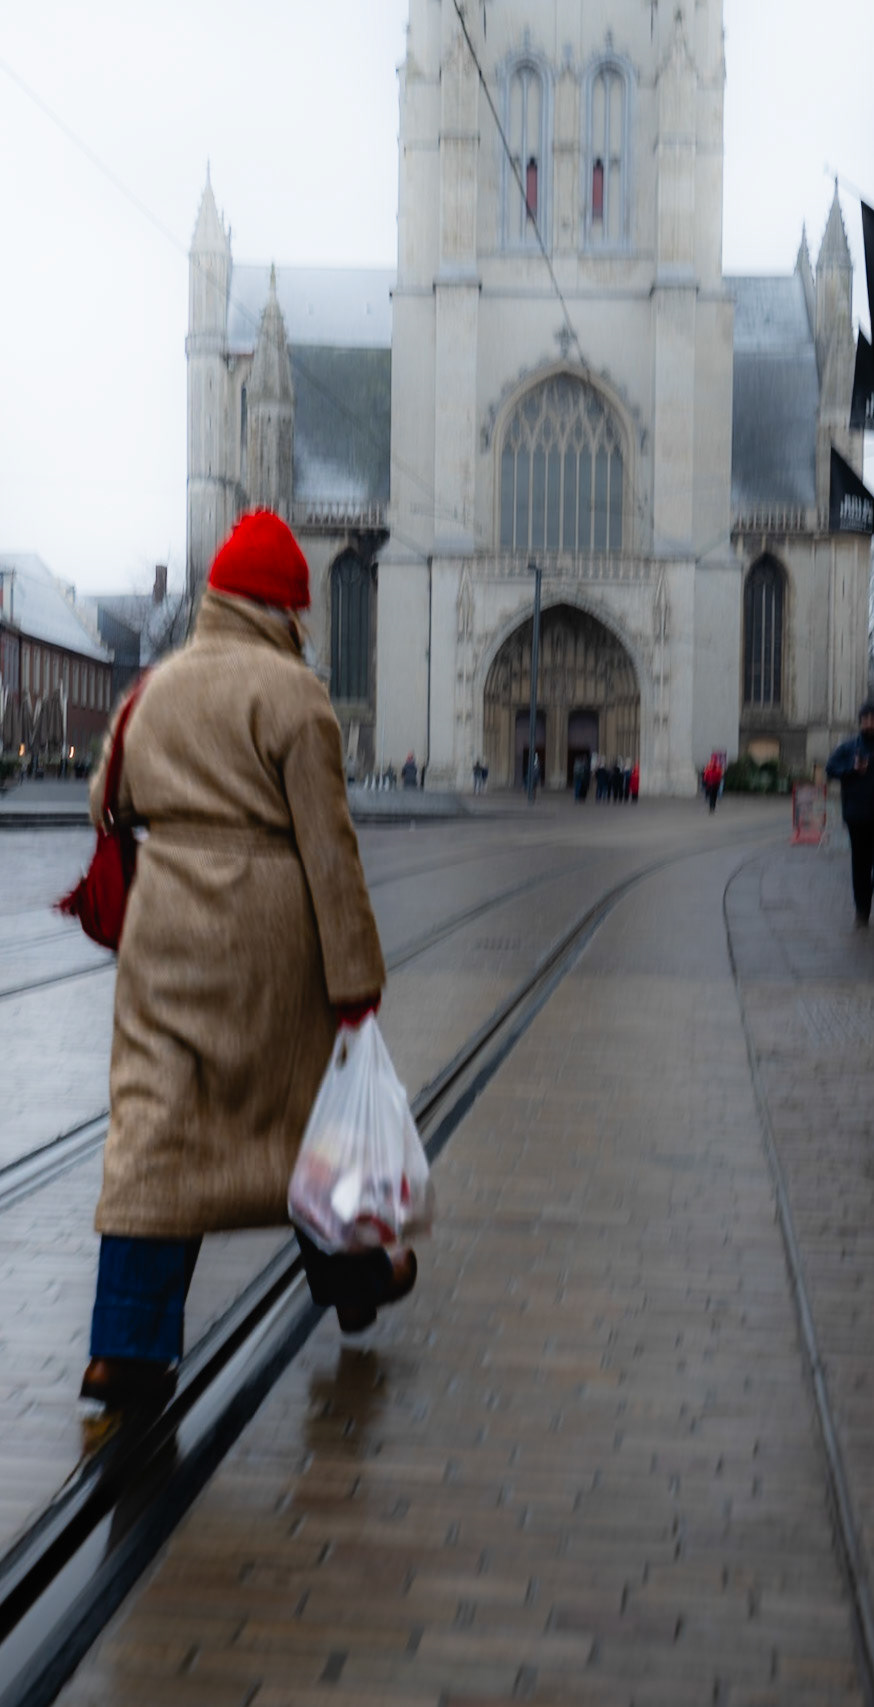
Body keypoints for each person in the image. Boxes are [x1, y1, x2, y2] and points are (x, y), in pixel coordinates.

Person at [79, 511, 416, 1411]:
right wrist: (357, 981)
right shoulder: (295, 694)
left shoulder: (154, 687)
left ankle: (125, 1347)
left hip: (165, 922)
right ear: (288, 607)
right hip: (270, 927)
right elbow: (329, 845)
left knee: (156, 1125)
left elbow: (99, 800)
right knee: (307, 1118)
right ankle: (355, 1282)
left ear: (218, 597)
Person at [826, 700, 874, 927]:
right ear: (860, 721)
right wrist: (851, 770)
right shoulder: (849, 748)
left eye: (872, 719)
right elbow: (830, 769)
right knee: (860, 866)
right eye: (865, 719)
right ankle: (862, 910)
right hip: (857, 816)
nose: (869, 723)